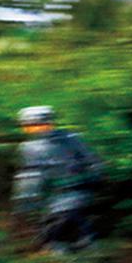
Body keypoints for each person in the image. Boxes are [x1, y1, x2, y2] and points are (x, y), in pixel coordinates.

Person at [12, 105, 103, 253]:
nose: (32, 129)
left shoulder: (66, 140)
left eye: (35, 125)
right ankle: (84, 259)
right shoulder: (30, 147)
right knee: (71, 230)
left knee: (60, 230)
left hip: (70, 195)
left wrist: (93, 178)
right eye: (29, 126)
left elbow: (94, 162)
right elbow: (28, 175)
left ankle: (82, 260)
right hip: (62, 196)